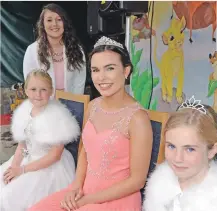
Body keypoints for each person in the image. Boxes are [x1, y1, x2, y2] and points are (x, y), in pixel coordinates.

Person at [28, 36, 153, 211]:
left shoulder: (137, 118)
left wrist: (88, 201)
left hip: (117, 198)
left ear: (126, 71)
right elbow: (85, 152)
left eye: (109, 68)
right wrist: (76, 186)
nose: (101, 77)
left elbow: (137, 181)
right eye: (95, 70)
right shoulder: (93, 106)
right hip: (85, 190)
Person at [0, 69, 80, 211]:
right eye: (33, 89)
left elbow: (55, 155)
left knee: (10, 195)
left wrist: (22, 170)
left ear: (51, 91)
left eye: (43, 89)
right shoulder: (25, 110)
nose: (38, 94)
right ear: (26, 90)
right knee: (4, 183)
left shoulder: (57, 116)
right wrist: (14, 167)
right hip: (28, 159)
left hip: (50, 166)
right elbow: (22, 145)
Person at [143, 96, 217, 211]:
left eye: (190, 149)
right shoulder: (158, 184)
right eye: (171, 146)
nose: (177, 158)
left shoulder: (212, 199)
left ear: (212, 150)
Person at [23, 3, 86, 96]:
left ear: (65, 23)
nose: (54, 24)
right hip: (43, 104)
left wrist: (75, 105)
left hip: (71, 105)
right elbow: (30, 84)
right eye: (49, 20)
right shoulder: (32, 50)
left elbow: (79, 82)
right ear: (43, 24)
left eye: (59, 19)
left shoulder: (77, 49)